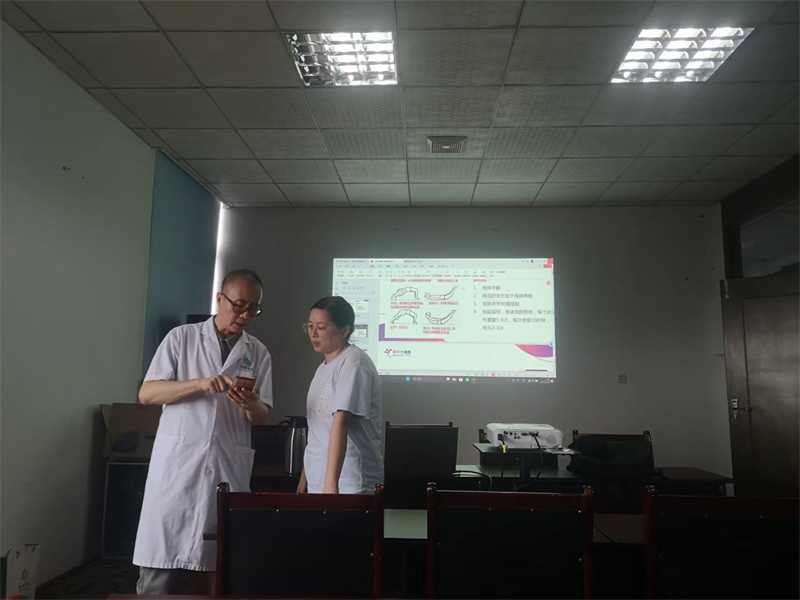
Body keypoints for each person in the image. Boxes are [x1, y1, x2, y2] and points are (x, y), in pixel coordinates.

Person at [133, 269, 272, 595]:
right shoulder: (181, 338)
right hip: (177, 469)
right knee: (161, 570)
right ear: (220, 299)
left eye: (253, 309)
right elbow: (147, 394)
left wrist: (251, 405)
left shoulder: (258, 352)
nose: (245, 315)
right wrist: (198, 383)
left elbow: (262, 414)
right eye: (239, 306)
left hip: (225, 467)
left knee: (217, 572)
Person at [297, 296, 383, 495]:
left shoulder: (354, 361)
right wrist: (305, 478)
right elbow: (318, 432)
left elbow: (341, 422)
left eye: (321, 327)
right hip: (319, 481)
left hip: (349, 483)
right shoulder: (323, 367)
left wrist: (331, 486)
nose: (313, 333)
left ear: (344, 331)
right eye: (310, 326)